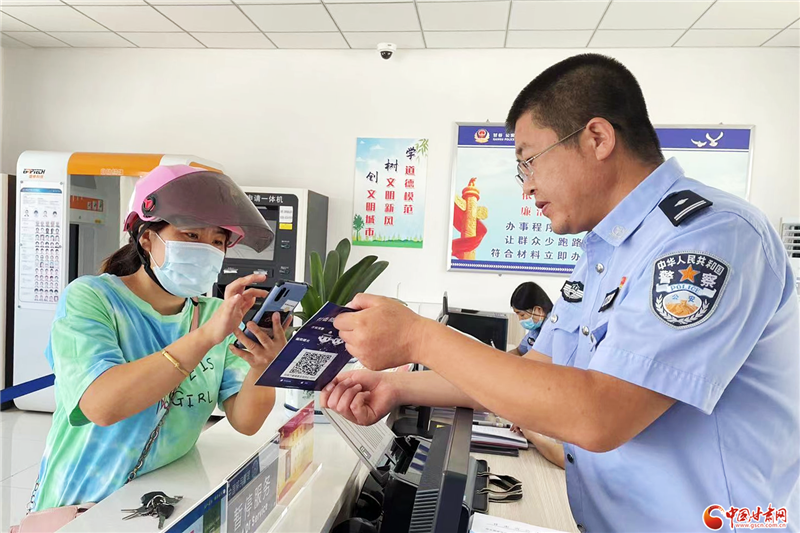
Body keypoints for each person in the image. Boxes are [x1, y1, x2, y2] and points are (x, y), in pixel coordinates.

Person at [322, 54, 799, 532]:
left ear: (597, 138)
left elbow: (599, 414)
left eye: (529, 162)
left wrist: (418, 338)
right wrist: (396, 385)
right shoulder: (603, 251)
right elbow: (537, 374)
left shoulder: (710, 238)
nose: (527, 188)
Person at [31, 165, 285, 513]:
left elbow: (246, 420)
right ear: (146, 238)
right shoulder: (91, 298)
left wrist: (262, 367)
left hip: (158, 504)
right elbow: (102, 406)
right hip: (81, 501)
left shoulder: (216, 314)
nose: (207, 250)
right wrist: (206, 338)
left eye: (217, 241)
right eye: (191, 236)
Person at [508, 282, 553, 357]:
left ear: (538, 310)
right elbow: (519, 351)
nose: (520, 319)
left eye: (522, 315)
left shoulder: (552, 331)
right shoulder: (535, 329)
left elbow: (536, 360)